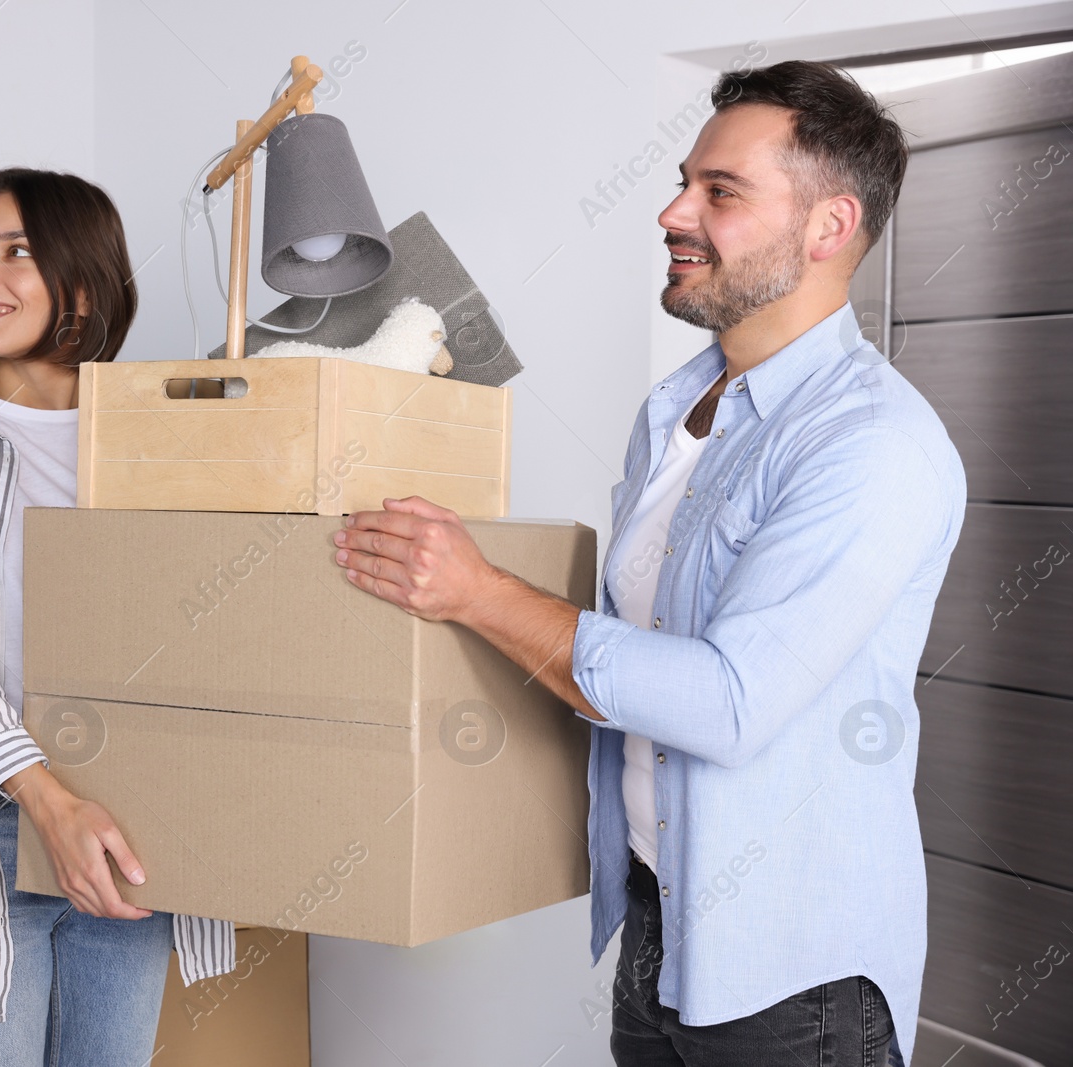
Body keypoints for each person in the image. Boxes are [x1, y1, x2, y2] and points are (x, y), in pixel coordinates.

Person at [332, 61, 963, 1067]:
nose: (673, 209)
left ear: (828, 227)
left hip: (789, 980)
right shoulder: (673, 412)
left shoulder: (873, 444)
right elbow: (628, 656)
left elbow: (721, 700)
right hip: (656, 928)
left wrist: (478, 590)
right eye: (682, 179)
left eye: (719, 191)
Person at [0, 168, 234, 1066]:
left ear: (86, 283)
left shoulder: (167, 436)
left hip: (136, 831)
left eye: (15, 252)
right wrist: (47, 801)